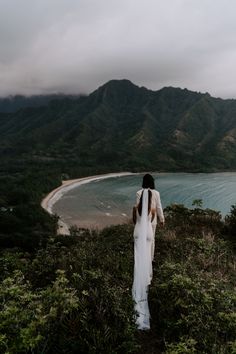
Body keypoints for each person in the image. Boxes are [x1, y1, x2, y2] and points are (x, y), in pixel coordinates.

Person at [132, 173, 165, 330]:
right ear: (152, 183)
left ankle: (140, 272)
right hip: (151, 226)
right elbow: (158, 208)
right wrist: (162, 219)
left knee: (139, 253)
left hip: (139, 227)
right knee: (150, 249)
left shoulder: (138, 193)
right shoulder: (156, 194)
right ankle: (148, 275)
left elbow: (136, 215)